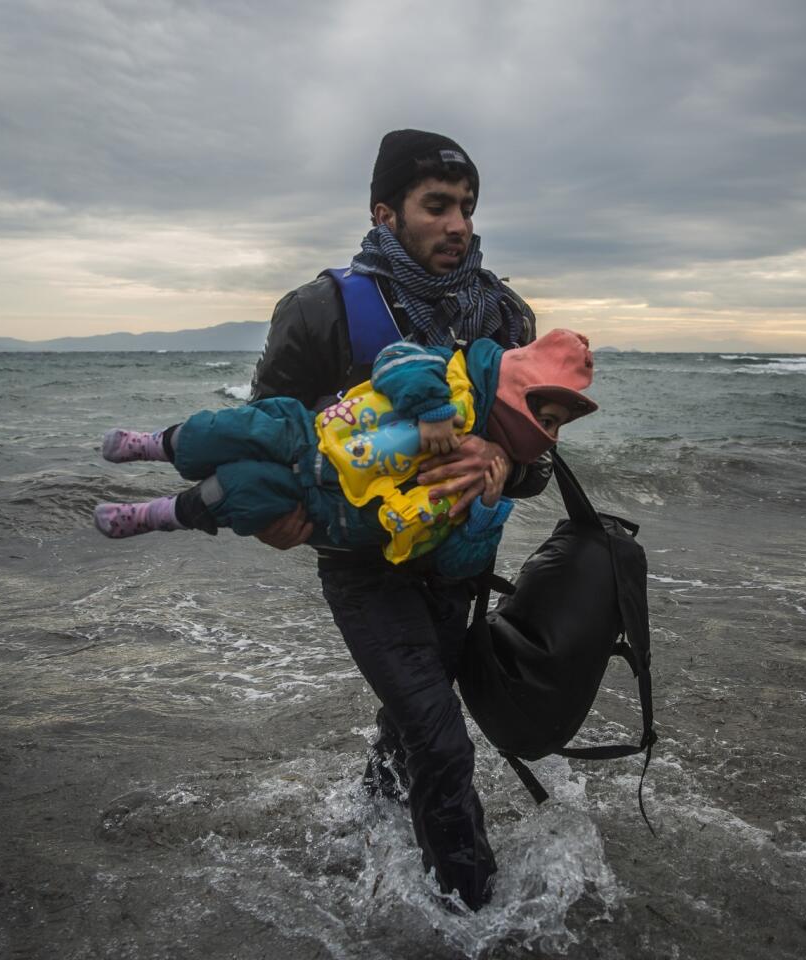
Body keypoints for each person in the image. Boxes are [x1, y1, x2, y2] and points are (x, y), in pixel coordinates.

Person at [239, 130, 551, 910]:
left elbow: (542, 463)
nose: (459, 225)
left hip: (460, 562)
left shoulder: (508, 319)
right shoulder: (320, 312)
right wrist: (270, 513)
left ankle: (370, 821)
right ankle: (475, 916)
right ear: (385, 213)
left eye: (467, 208)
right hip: (363, 572)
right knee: (442, 738)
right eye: (436, 206)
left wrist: (503, 461)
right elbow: (262, 442)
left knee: (414, 719)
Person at [91, 330, 597, 586]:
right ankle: (156, 443)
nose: (548, 437)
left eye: (555, 427)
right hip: (307, 437)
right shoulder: (455, 374)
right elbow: (395, 360)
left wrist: (486, 513)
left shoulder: (483, 477)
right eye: (546, 418)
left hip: (327, 515)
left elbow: (453, 565)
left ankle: (155, 516)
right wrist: (435, 409)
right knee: (226, 430)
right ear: (519, 386)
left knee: (238, 494)